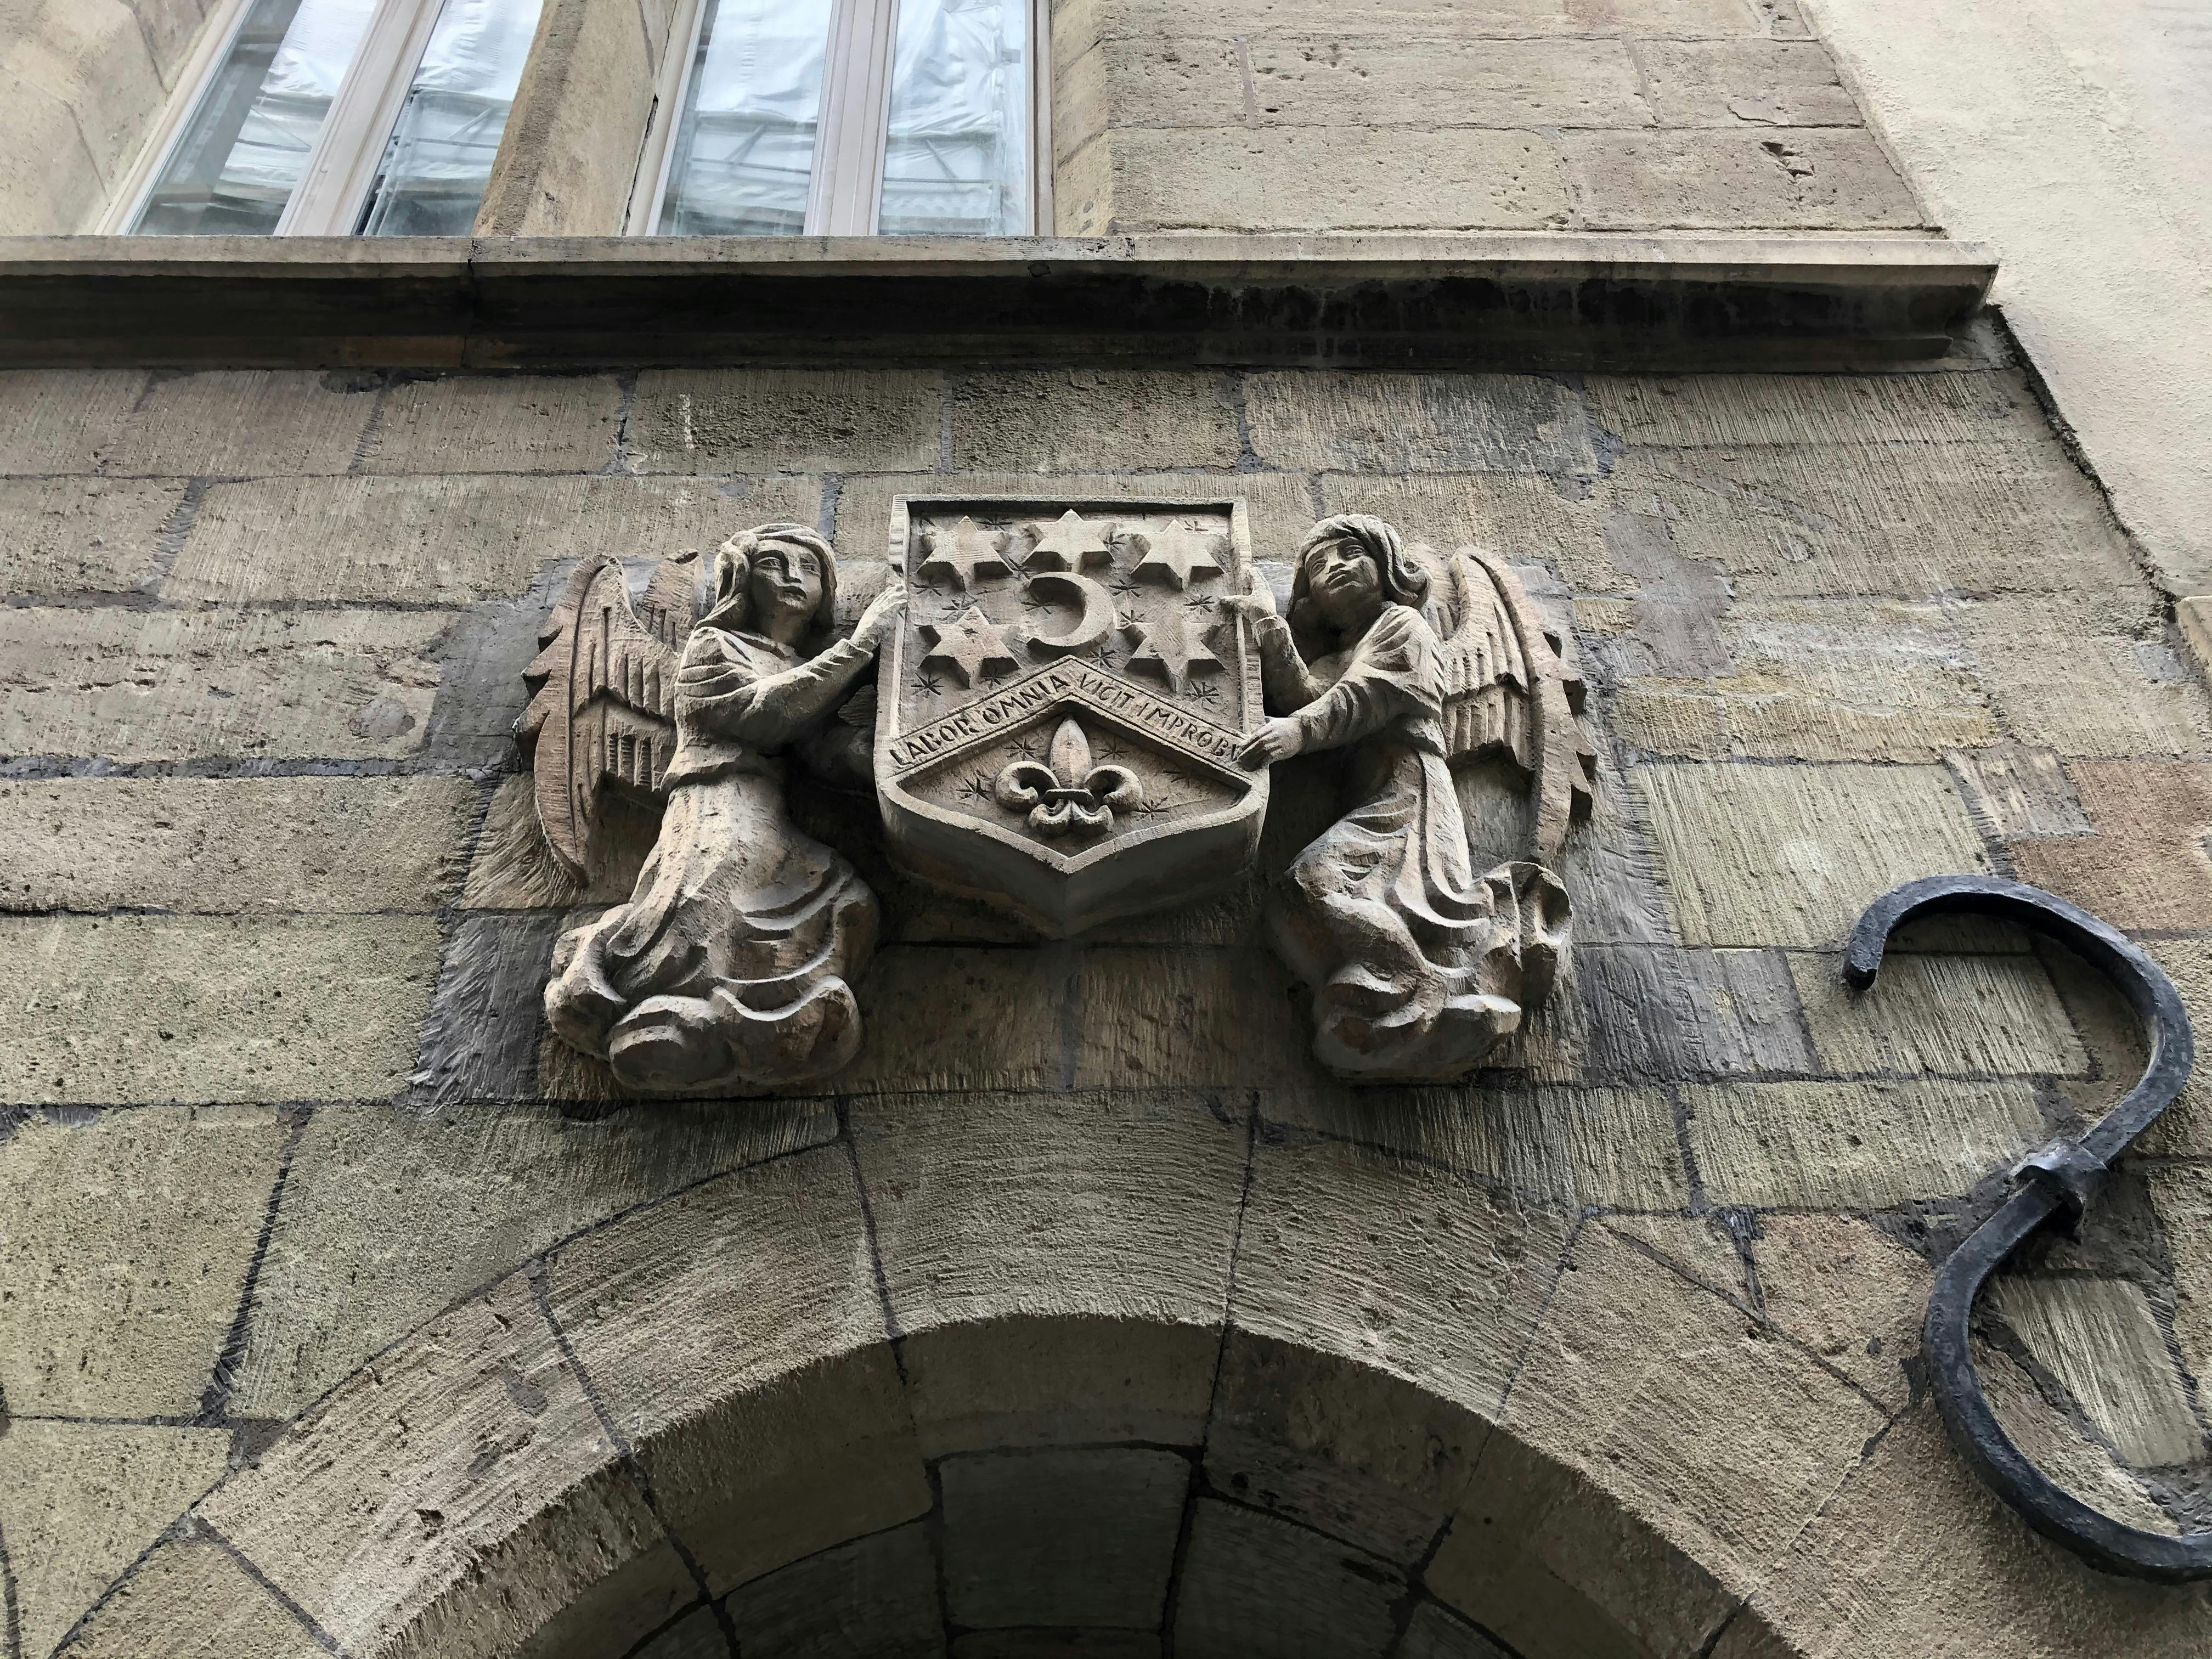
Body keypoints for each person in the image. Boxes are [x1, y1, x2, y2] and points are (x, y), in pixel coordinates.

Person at [545, 523, 904, 1092]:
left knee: (845, 898)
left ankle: (772, 1009)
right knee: (708, 907)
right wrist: (862, 645)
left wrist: (894, 761)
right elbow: (762, 714)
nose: (793, 578)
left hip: (765, 807)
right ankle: (643, 1002)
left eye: (810, 569)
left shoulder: (787, 660)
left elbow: (820, 750)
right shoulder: (715, 646)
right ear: (740, 578)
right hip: (717, 802)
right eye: (774, 564)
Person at [1228, 514, 1566, 1081]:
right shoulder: (1348, 652)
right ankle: (1395, 987)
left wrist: (1299, 733)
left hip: (1408, 785)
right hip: (1373, 788)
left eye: (1349, 552)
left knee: (1315, 883)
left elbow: (1370, 695)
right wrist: (1270, 628)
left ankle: (1419, 986)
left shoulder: (1404, 626)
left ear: (1386, 565)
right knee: (1303, 900)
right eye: (1318, 566)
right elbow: (1310, 693)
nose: (1334, 568)